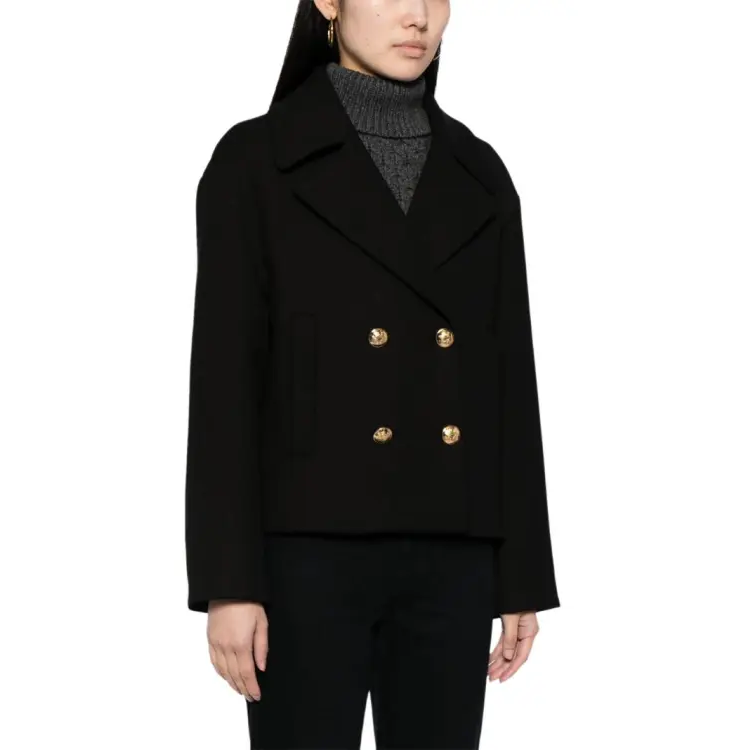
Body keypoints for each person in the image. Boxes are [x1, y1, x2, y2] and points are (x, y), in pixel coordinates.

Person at [184, 1, 561, 747]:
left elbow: (509, 381)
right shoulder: (256, 161)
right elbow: (225, 383)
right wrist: (229, 584)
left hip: (452, 553)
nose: (418, 15)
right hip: (304, 557)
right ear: (329, 1)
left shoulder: (481, 172)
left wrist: (521, 574)